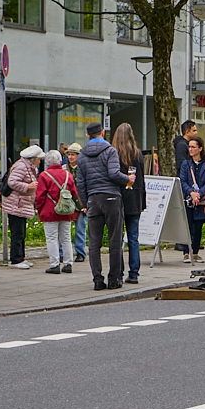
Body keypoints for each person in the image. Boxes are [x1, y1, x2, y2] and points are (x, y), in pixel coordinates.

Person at [76, 123, 133, 290]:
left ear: (88, 136)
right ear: (102, 132)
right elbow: (113, 173)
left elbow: (80, 183)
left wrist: (86, 202)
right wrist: (128, 179)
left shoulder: (82, 156)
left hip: (93, 200)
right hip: (112, 198)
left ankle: (97, 280)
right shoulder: (110, 151)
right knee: (115, 241)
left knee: (94, 243)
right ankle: (114, 279)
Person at [112, 123, 147, 284]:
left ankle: (118, 272)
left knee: (118, 239)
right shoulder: (138, 154)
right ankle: (134, 273)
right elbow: (142, 180)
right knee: (133, 238)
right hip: (135, 200)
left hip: (119, 199)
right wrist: (142, 202)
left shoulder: (113, 154)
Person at [34, 150, 79, 275]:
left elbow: (40, 196)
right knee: (66, 238)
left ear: (47, 161)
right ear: (60, 161)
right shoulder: (67, 174)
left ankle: (54, 264)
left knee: (52, 238)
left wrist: (39, 209)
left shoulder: (44, 175)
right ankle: (68, 263)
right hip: (66, 211)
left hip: (49, 211)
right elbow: (74, 193)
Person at [2, 145, 43, 268]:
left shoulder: (28, 167)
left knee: (21, 233)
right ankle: (16, 259)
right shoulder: (21, 166)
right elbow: (12, 182)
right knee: (17, 233)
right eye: (38, 159)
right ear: (33, 158)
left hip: (22, 204)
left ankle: (21, 257)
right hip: (16, 204)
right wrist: (27, 186)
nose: (39, 161)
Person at [179, 135, 205, 264]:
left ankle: (195, 252)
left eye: (193, 147)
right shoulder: (186, 164)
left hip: (201, 201)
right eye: (189, 147)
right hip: (188, 200)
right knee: (188, 226)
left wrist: (199, 194)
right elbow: (183, 181)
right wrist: (191, 193)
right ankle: (186, 252)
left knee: (198, 228)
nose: (190, 149)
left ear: (200, 149)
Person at [173, 120, 196, 259]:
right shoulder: (182, 146)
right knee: (186, 215)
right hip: (185, 183)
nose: (195, 133)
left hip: (187, 182)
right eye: (194, 130)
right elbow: (182, 164)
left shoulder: (184, 144)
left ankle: (189, 242)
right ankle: (182, 242)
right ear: (187, 132)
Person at [65, 143, 87, 262]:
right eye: (69, 154)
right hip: (67, 204)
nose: (70, 157)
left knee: (80, 230)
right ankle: (62, 252)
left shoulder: (84, 169)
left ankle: (80, 253)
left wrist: (86, 204)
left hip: (81, 204)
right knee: (64, 230)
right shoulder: (64, 169)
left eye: (73, 154)